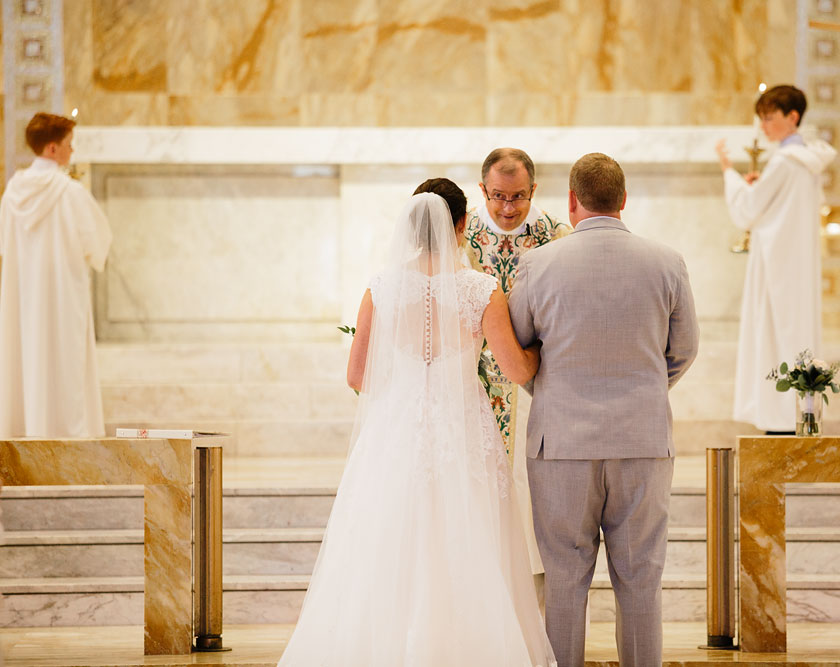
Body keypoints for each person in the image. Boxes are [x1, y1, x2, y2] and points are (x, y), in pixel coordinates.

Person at [278, 186, 555, 666]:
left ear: (409, 227)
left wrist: (406, 381)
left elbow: (357, 375)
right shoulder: (480, 289)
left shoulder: (381, 288)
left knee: (387, 541)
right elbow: (518, 370)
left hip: (395, 433)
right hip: (463, 434)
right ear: (464, 223)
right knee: (468, 541)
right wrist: (542, 349)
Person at [509, 153, 699, 667]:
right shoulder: (667, 261)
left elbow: (522, 356)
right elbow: (683, 350)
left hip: (561, 444)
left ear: (572, 202)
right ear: (623, 201)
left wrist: (554, 394)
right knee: (641, 579)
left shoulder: (539, 264)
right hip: (642, 440)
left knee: (565, 579)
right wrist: (643, 391)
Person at [465, 148, 570, 575]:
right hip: (474, 377)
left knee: (532, 481)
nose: (508, 208)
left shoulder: (556, 234)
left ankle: (531, 574)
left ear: (534, 191)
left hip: (537, 375)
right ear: (482, 191)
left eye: (518, 197)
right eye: (498, 196)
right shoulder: (460, 232)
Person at [715, 85, 836, 433]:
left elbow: (748, 211)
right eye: (762, 118)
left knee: (776, 335)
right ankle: (800, 414)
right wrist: (757, 185)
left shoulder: (785, 161)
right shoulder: (807, 160)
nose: (764, 126)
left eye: (770, 118)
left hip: (777, 266)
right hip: (796, 263)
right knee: (794, 334)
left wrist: (729, 173)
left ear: (792, 117)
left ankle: (779, 420)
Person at [0, 112, 112, 438]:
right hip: (63, 298)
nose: (71, 151)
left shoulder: (11, 195)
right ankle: (72, 445)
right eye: (68, 144)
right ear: (52, 148)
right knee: (65, 367)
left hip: (23, 299)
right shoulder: (70, 193)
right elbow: (98, 242)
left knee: (26, 361)